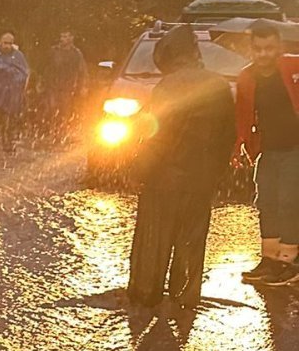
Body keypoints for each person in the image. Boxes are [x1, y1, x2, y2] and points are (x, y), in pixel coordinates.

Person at [127, 25, 237, 309]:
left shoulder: (167, 86)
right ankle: (186, 297)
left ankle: (146, 296)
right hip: (201, 179)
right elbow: (227, 136)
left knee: (154, 240)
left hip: (164, 179)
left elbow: (157, 136)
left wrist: (138, 170)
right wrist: (217, 173)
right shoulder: (219, 85)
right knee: (192, 239)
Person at [236, 21, 299, 286]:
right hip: (269, 149)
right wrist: (240, 144)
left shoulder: (294, 67)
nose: (263, 54)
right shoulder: (247, 77)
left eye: (269, 48)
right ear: (251, 49)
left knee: (289, 201)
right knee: (266, 202)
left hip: (295, 147)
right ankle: (270, 258)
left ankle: (289, 260)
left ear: (278, 48)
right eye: (258, 49)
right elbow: (242, 115)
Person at [42, 30, 88, 138]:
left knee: (64, 111)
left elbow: (82, 71)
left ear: (72, 38)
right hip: (52, 85)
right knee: (51, 108)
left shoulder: (76, 53)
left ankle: (62, 133)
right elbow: (45, 67)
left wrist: (83, 86)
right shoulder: (53, 51)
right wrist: (43, 82)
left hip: (68, 87)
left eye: (66, 36)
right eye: (62, 36)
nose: (64, 39)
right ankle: (49, 132)